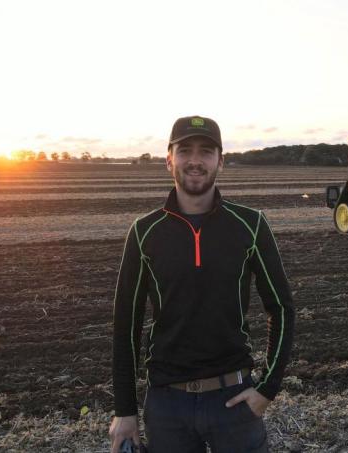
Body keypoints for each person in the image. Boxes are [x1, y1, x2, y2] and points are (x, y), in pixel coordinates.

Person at [108, 115, 296, 453]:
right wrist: (125, 411)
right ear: (169, 160)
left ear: (220, 161)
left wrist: (267, 389)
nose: (195, 161)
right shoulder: (144, 232)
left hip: (234, 400)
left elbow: (281, 308)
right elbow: (126, 325)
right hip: (167, 406)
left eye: (206, 151)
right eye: (185, 150)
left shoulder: (250, 225)